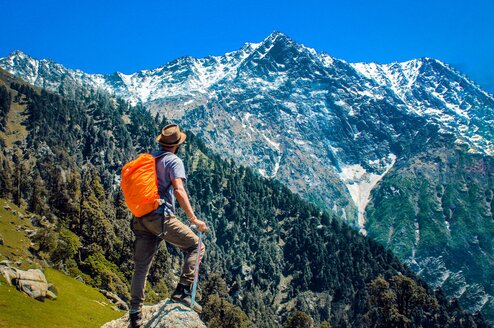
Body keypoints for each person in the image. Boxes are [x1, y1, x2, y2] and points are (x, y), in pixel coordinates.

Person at [128, 124, 208, 327]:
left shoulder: (150, 159)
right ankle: (182, 291)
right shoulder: (173, 160)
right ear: (177, 145)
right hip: (160, 216)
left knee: (141, 268)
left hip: (141, 218)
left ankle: (135, 313)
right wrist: (194, 219)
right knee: (196, 246)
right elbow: (179, 190)